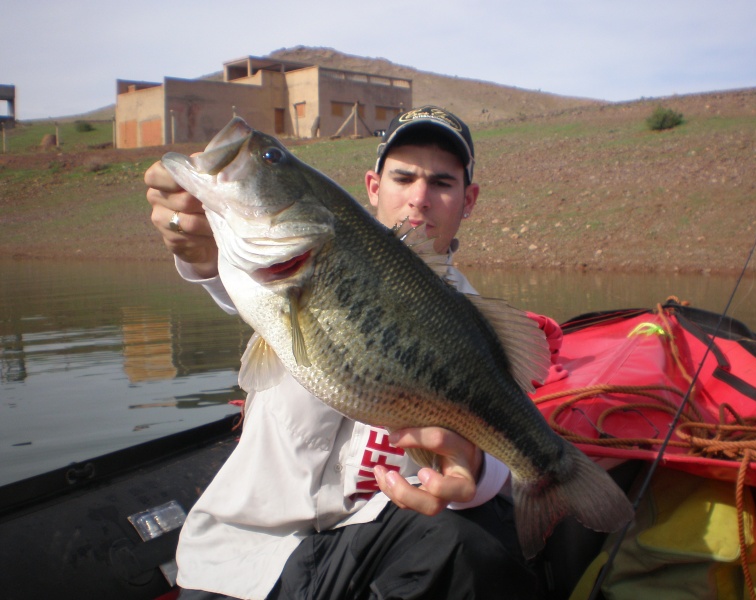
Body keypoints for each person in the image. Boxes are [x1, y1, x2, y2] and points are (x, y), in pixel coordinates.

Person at [145, 105, 563, 600]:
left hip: (373, 548)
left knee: (478, 544)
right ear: (372, 186)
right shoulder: (289, 258)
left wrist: (475, 465)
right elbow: (233, 274)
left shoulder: (468, 322)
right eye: (403, 177)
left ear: (468, 200)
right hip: (243, 559)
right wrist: (195, 243)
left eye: (442, 183)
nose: (419, 199)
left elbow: (494, 420)